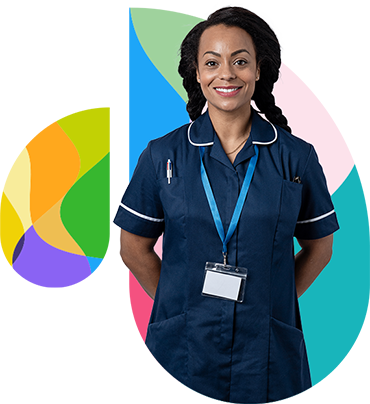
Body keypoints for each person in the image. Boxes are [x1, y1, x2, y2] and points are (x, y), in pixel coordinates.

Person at [113, 6, 339, 404]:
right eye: (212, 62)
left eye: (240, 61)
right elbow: (133, 247)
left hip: (267, 353)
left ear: (258, 70)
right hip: (179, 352)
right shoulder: (163, 155)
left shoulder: (296, 158)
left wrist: (271, 301)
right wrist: (179, 306)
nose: (227, 74)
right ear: (197, 74)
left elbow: (320, 247)